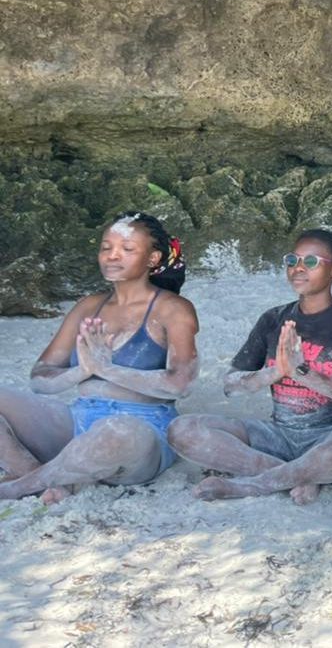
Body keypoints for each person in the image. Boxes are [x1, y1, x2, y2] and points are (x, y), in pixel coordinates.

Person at [167, 229, 332, 505]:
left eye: (311, 262)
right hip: (278, 436)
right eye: (292, 260)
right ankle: (300, 477)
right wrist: (274, 372)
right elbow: (231, 384)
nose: (298, 268)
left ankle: (249, 486)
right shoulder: (273, 319)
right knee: (182, 429)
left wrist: (302, 373)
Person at [0, 212, 197, 503]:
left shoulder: (174, 309)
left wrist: (106, 369)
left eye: (127, 249)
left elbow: (181, 384)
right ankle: (38, 475)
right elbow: (39, 379)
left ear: (153, 258)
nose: (112, 256)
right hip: (79, 419)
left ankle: (22, 486)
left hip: (141, 431)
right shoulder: (88, 306)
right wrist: (81, 371)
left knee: (116, 431)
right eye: (106, 247)